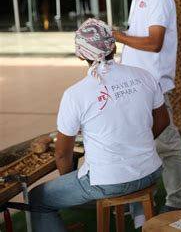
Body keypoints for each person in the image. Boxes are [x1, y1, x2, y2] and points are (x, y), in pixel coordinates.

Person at [29, 19, 170, 230]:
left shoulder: (75, 94)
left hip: (108, 182)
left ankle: (140, 220)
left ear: (80, 54)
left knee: (37, 198)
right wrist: (135, 145)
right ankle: (142, 223)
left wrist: (71, 181)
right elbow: (163, 120)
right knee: (129, 178)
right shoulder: (144, 76)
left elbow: (62, 153)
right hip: (150, 170)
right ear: (114, 46)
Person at [112, 0, 181, 213]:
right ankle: (140, 209)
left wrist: (117, 36)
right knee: (150, 145)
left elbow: (155, 42)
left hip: (152, 88)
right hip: (140, 87)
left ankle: (174, 204)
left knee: (167, 146)